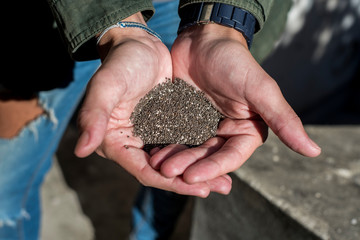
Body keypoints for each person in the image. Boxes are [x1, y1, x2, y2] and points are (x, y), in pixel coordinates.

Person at [0, 0, 321, 239]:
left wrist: (223, 24)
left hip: (199, 8)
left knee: (177, 172)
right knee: (5, 186)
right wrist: (117, 27)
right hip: (54, 18)